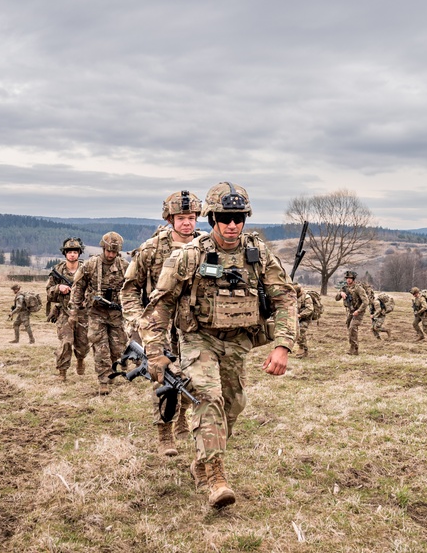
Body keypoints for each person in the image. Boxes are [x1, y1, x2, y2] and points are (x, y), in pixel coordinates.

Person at [138, 181, 297, 509]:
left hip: (238, 342)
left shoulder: (258, 254)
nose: (232, 224)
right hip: (198, 338)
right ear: (212, 219)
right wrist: (154, 351)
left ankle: (202, 459)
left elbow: (285, 298)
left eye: (239, 217)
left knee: (232, 406)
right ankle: (215, 477)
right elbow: (161, 305)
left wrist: (282, 345)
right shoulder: (190, 255)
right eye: (225, 217)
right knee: (208, 397)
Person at [121, 190, 203, 456]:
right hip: (160, 325)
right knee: (164, 378)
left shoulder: (204, 246)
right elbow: (129, 288)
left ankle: (182, 420)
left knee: (193, 376)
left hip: (192, 325)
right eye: (181, 218)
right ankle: (164, 433)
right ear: (170, 219)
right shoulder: (152, 248)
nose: (187, 223)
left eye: (191, 217)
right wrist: (137, 320)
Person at [71, 231, 128, 395]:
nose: (110, 254)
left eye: (114, 252)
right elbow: (78, 287)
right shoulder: (90, 265)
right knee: (100, 346)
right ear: (103, 248)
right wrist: (74, 310)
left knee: (117, 348)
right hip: (96, 312)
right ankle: (103, 380)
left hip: (116, 314)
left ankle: (112, 368)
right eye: (108, 250)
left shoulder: (124, 267)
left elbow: (132, 289)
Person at [48, 237, 89, 380]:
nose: (72, 254)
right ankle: (62, 372)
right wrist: (58, 288)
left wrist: (86, 298)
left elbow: (95, 288)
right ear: (65, 254)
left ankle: (80, 360)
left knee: (83, 344)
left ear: (79, 253)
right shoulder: (58, 270)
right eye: (69, 252)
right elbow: (48, 292)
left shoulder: (86, 269)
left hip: (82, 313)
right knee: (66, 342)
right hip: (64, 312)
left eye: (75, 252)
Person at [340, 271, 369, 355]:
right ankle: (353, 347)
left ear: (353, 279)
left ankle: (354, 348)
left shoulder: (358, 288)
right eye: (347, 278)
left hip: (358, 311)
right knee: (350, 329)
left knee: (352, 328)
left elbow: (366, 301)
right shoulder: (344, 288)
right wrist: (341, 293)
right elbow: (336, 298)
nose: (348, 280)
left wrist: (358, 311)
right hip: (350, 311)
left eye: (350, 278)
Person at [294, 283, 314, 357]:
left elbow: (309, 309)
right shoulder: (292, 296)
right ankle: (304, 349)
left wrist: (300, 315)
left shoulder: (306, 297)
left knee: (300, 331)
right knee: (295, 332)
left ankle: (301, 348)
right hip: (296, 317)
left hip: (305, 318)